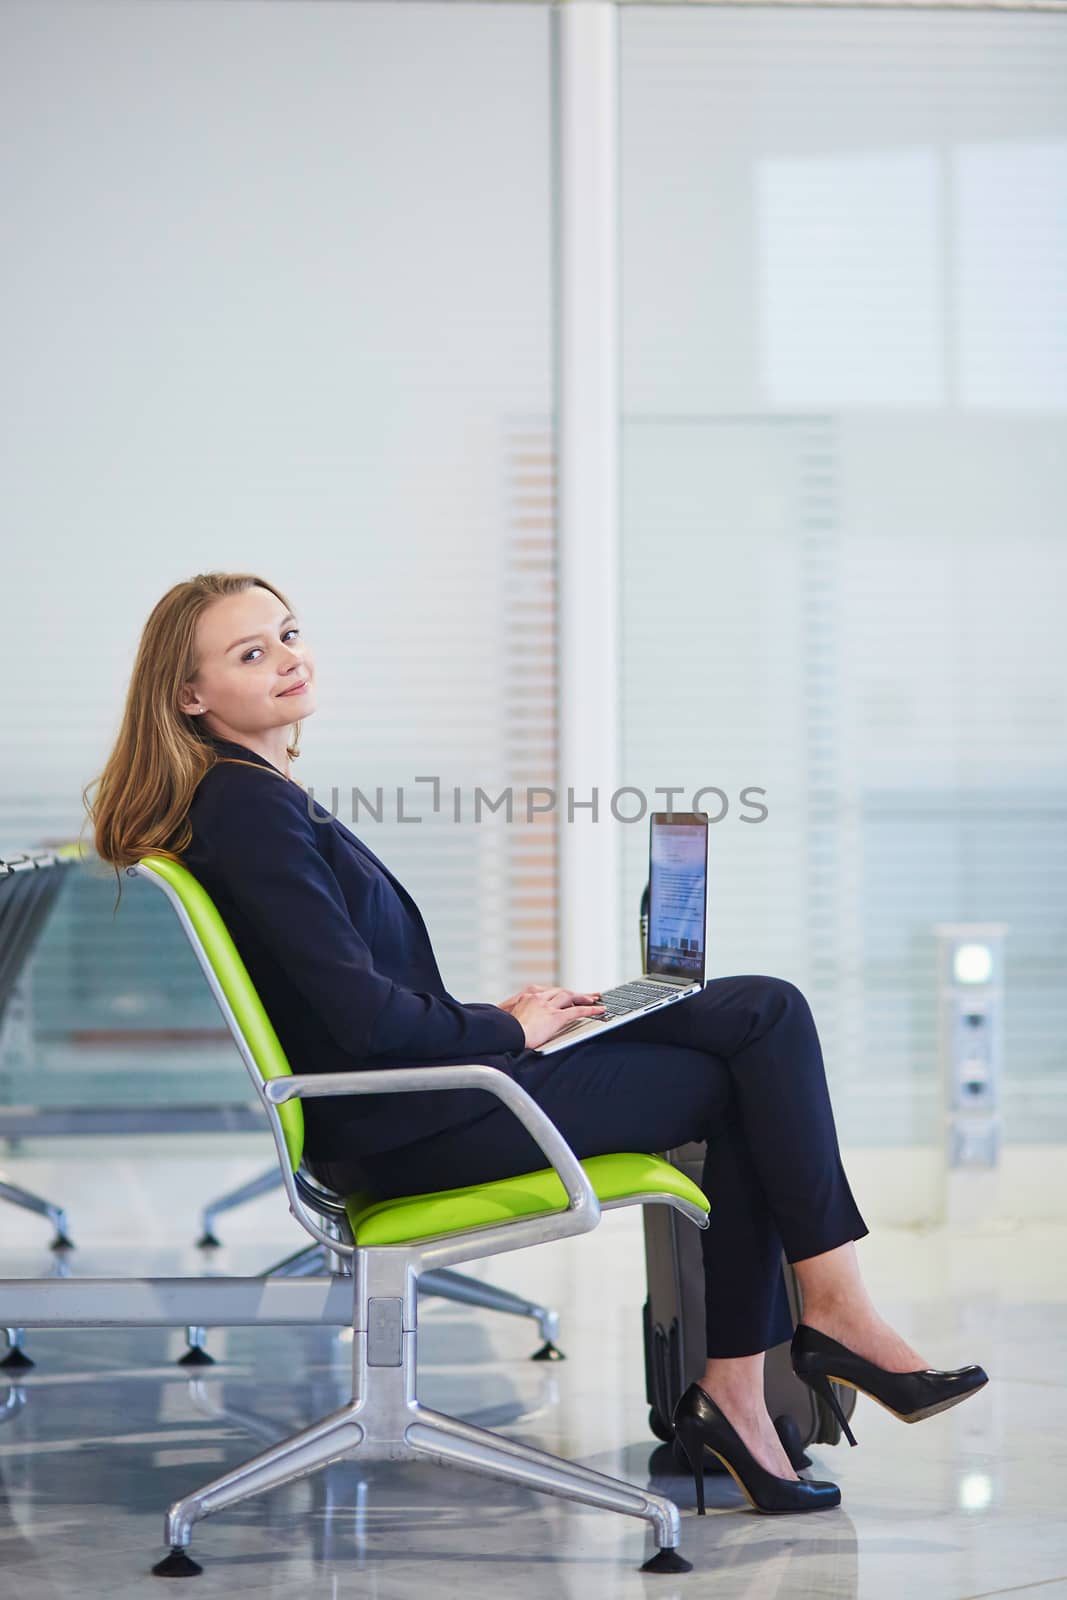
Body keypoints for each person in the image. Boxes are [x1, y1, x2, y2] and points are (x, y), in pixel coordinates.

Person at [86, 570, 988, 1518]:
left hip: (423, 1095)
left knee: (757, 1018)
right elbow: (360, 1024)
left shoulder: (256, 795)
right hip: (412, 1126)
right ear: (190, 696)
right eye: (250, 653)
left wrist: (507, 1016)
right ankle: (810, 1331)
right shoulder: (247, 807)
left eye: (288, 633)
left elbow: (349, 1003)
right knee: (754, 1043)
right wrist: (506, 1029)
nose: (288, 658)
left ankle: (762, 1374)